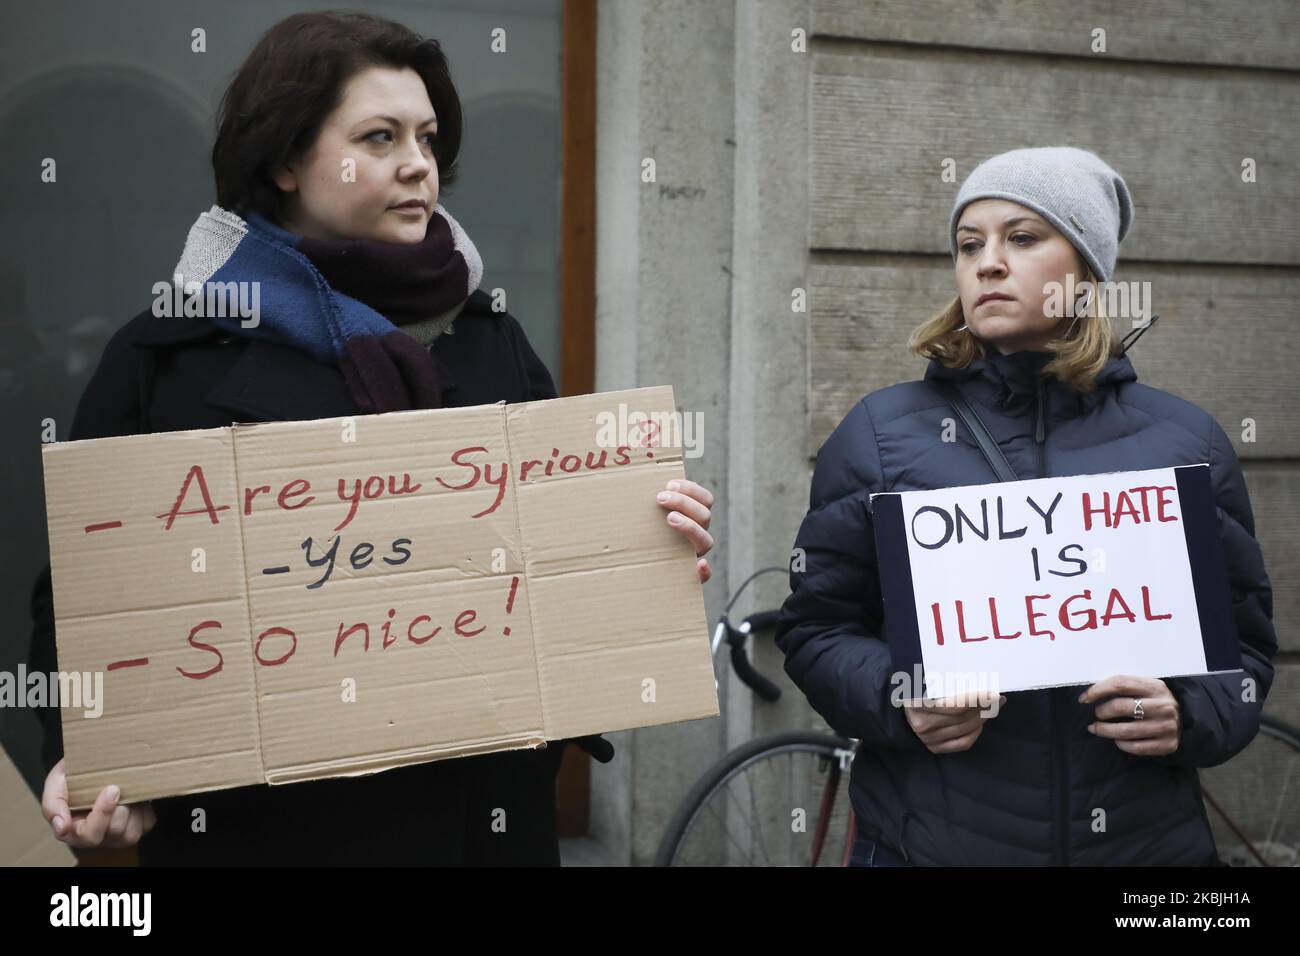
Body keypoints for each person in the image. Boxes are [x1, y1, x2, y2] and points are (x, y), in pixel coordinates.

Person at [30, 11, 715, 865]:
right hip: (264, 835)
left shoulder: (487, 336)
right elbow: (84, 596)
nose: (419, 164)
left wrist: (640, 550)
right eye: (380, 137)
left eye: (428, 137)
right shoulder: (163, 355)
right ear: (284, 159)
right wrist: (88, 757)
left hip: (481, 828)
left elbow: (552, 568)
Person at [775, 146, 1277, 866]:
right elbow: (817, 631)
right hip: (932, 846)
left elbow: (1246, 652)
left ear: (1086, 270)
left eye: (1022, 237)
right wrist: (899, 698)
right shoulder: (881, 435)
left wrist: (1192, 712)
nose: (987, 263)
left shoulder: (1184, 440)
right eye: (968, 244)